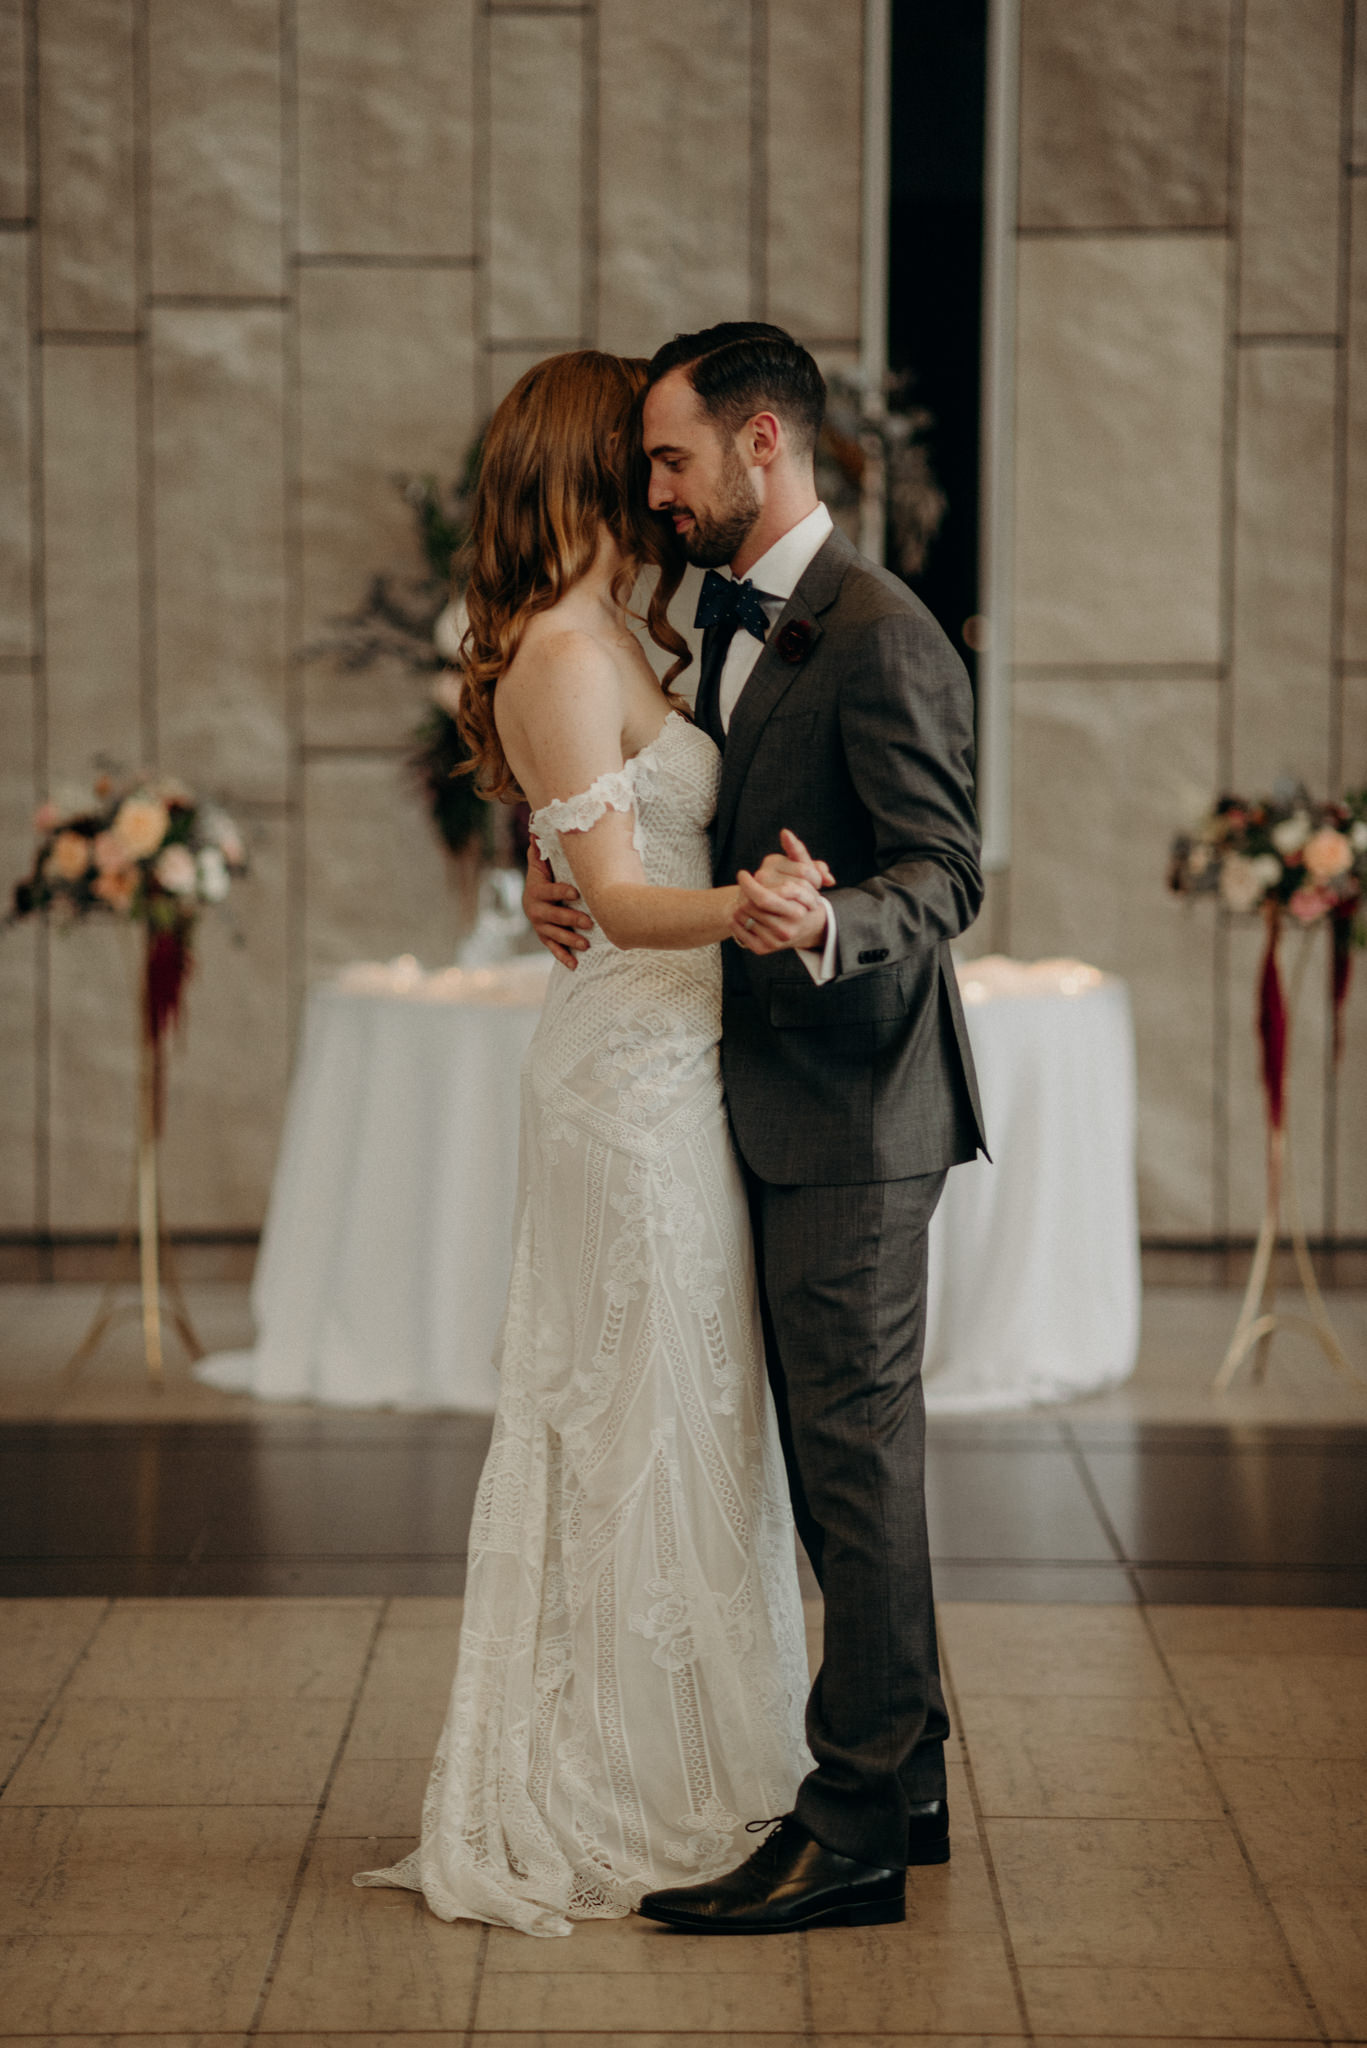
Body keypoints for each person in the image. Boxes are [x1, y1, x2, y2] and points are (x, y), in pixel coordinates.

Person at [354, 349, 826, 1938]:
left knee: (694, 1413)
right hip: (628, 1091)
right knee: (640, 1423)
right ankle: (625, 1785)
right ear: (590, 467)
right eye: (640, 450)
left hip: (669, 1068)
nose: (660, 471)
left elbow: (602, 844)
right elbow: (622, 899)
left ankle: (705, 1753)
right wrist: (753, 911)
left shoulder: (619, 630)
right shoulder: (562, 647)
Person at [523, 322, 987, 1935]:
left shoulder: (881, 630)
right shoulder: (721, 621)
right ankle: (908, 1772)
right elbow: (661, 801)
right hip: (759, 1095)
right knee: (838, 1460)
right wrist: (567, 865)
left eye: (672, 459)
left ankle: (853, 1822)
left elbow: (943, 877)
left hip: (856, 1109)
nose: (653, 492)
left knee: (850, 1464)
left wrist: (826, 924)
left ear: (763, 443)